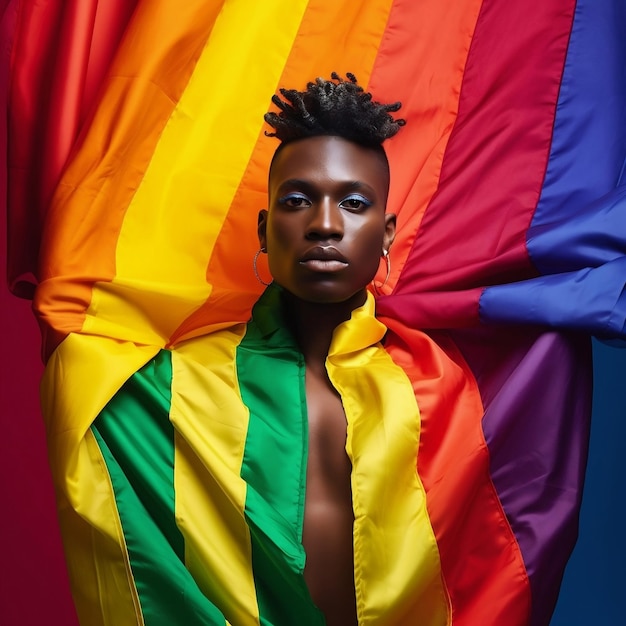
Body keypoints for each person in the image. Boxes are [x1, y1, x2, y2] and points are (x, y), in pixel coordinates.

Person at [84, 73, 446, 626]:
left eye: (353, 202)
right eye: (298, 200)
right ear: (264, 227)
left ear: (388, 232)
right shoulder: (179, 380)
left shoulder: (437, 386)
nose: (324, 225)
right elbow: (75, 328)